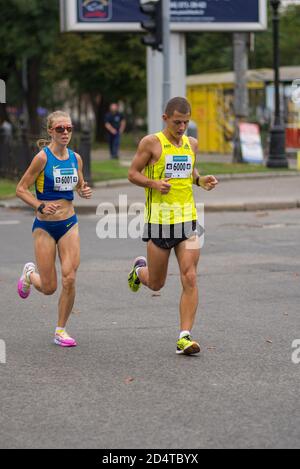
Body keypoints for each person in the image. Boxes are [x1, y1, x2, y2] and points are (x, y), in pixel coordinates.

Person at [128, 97, 218, 355]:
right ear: (165, 118)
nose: (181, 127)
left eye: (186, 122)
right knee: (156, 283)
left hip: (187, 220)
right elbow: (133, 173)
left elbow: (189, 172)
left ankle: (184, 336)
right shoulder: (151, 143)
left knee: (190, 276)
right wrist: (154, 184)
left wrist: (201, 180)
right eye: (177, 122)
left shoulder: (191, 144)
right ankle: (139, 271)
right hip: (159, 221)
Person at [16, 110, 92, 347]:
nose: (66, 133)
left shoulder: (75, 158)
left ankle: (61, 330)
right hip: (45, 227)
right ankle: (30, 275)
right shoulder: (42, 158)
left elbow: (80, 184)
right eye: (60, 129)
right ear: (50, 131)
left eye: (69, 128)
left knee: (69, 278)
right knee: (49, 287)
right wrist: (39, 205)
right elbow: (21, 188)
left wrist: (83, 190)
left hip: (69, 223)